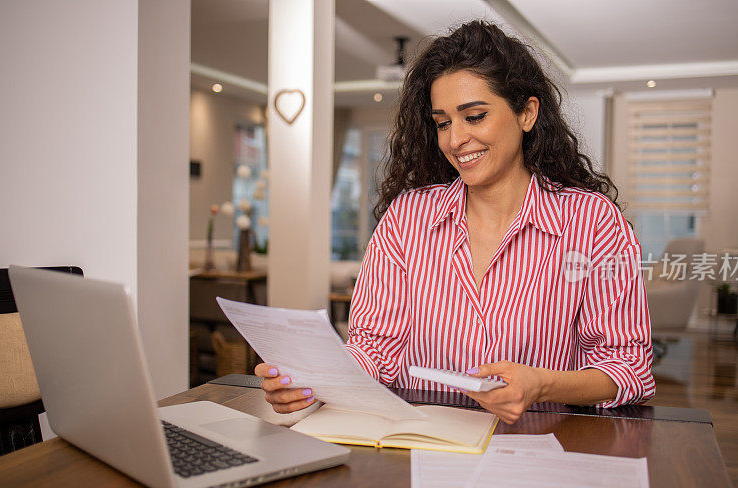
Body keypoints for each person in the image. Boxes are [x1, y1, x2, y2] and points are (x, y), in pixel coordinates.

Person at [255, 21, 655, 423]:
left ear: (527, 113)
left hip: (538, 445)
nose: (455, 140)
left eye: (475, 116)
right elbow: (375, 350)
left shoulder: (594, 223)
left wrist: (543, 383)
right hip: (425, 446)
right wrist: (314, 381)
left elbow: (627, 367)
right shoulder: (406, 219)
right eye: (443, 122)